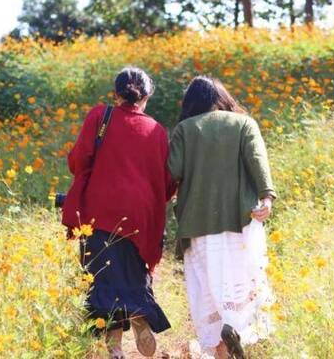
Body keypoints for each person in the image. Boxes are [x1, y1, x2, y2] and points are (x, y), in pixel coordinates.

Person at [62, 67, 174, 359]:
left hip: (100, 210)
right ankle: (139, 317)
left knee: (103, 278)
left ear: (117, 92)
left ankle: (114, 347)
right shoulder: (157, 130)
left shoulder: (100, 116)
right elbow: (168, 182)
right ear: (146, 95)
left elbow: (79, 160)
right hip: (140, 215)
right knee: (136, 272)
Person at [168, 76, 276, 359]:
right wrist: (266, 197)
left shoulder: (184, 130)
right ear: (222, 97)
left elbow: (172, 172)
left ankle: (220, 348)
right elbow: (257, 160)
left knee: (208, 287)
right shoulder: (243, 123)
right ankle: (238, 330)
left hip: (199, 223)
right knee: (245, 281)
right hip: (241, 219)